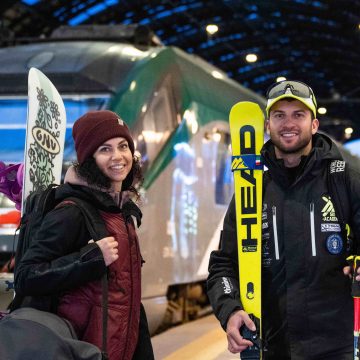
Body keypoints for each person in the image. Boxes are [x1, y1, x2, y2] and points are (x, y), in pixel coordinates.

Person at [207, 80, 360, 359]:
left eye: (298, 115)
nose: (288, 123)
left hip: (338, 347)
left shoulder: (342, 179)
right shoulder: (251, 190)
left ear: (314, 124)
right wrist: (230, 310)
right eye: (279, 115)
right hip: (272, 346)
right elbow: (223, 265)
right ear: (267, 126)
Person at [13, 110, 154, 360]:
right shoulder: (72, 212)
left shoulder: (123, 213)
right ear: (89, 159)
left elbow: (128, 301)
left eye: (123, 146)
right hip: (80, 350)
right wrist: (89, 259)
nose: (118, 156)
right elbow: (26, 276)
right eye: (105, 149)